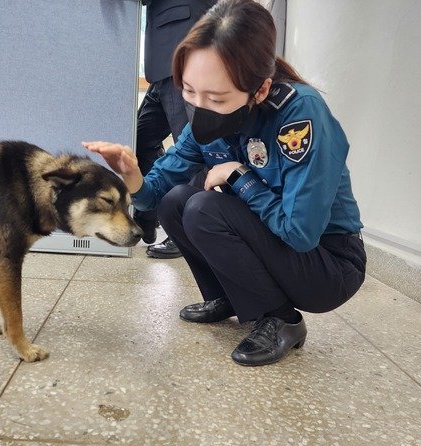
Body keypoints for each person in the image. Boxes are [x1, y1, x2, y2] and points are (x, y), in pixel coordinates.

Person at [84, 0, 366, 366]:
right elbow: (154, 195)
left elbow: (300, 233)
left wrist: (239, 176)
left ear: (260, 91)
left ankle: (283, 319)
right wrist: (132, 174)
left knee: (204, 208)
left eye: (216, 98)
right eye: (188, 91)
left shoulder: (299, 114)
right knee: (177, 201)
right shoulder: (207, 116)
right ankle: (228, 297)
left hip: (328, 265)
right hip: (282, 242)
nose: (199, 107)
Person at [137, 0, 216, 259]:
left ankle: (185, 232)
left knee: (191, 149)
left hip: (182, 48)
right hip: (164, 61)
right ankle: (148, 218)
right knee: (140, 138)